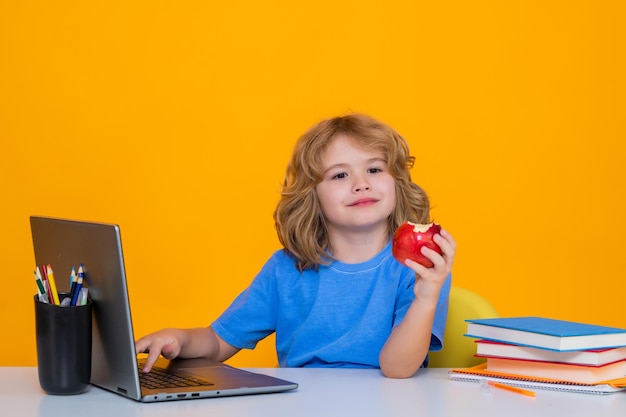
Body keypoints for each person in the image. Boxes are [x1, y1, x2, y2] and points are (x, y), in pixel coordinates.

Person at [135, 113, 456, 378]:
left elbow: (397, 370)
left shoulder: (421, 270)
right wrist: (178, 338)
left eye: (374, 169)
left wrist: (426, 297)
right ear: (311, 196)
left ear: (397, 183)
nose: (362, 183)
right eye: (340, 175)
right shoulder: (285, 268)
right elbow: (219, 342)